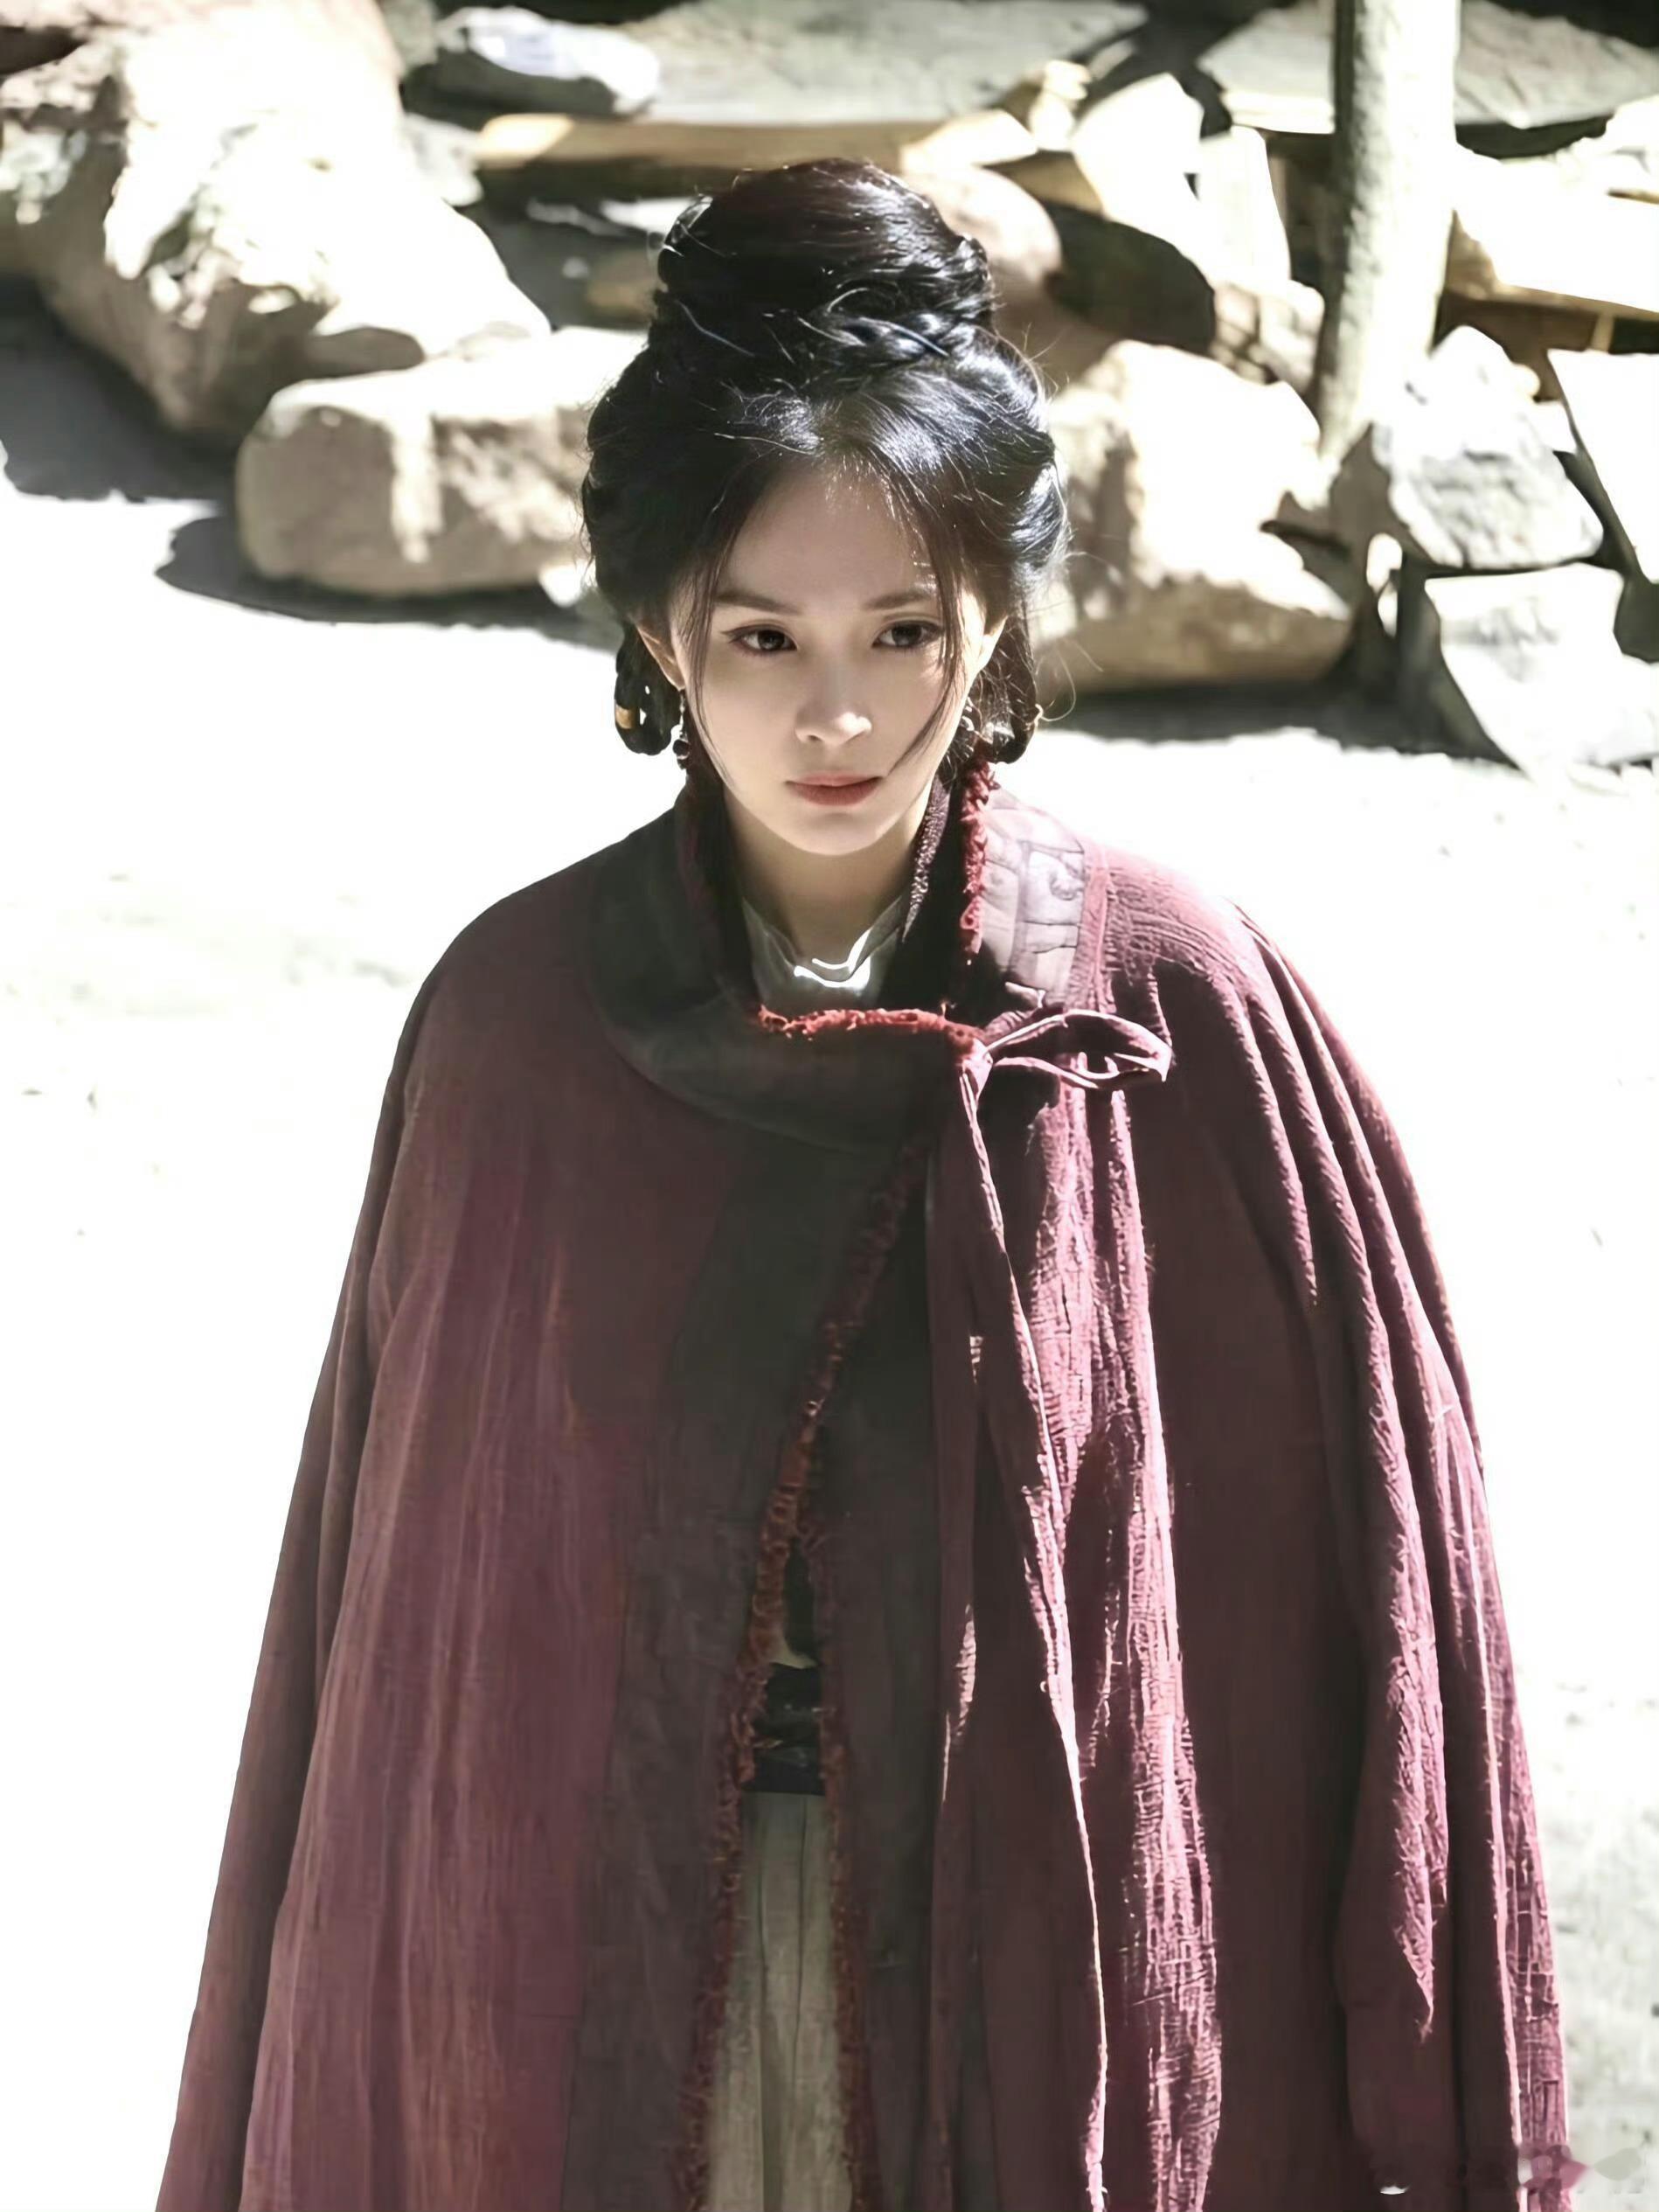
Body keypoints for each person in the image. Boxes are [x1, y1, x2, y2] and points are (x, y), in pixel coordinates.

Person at [156, 159, 1579, 2212]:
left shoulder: (1170, 1001)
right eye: (761, 634)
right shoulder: (523, 1025)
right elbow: (404, 1665)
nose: (835, 714)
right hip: (618, 1973)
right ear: (658, 629)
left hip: (1043, 1977)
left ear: (992, 617)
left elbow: (1377, 1599)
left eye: (902, 628)